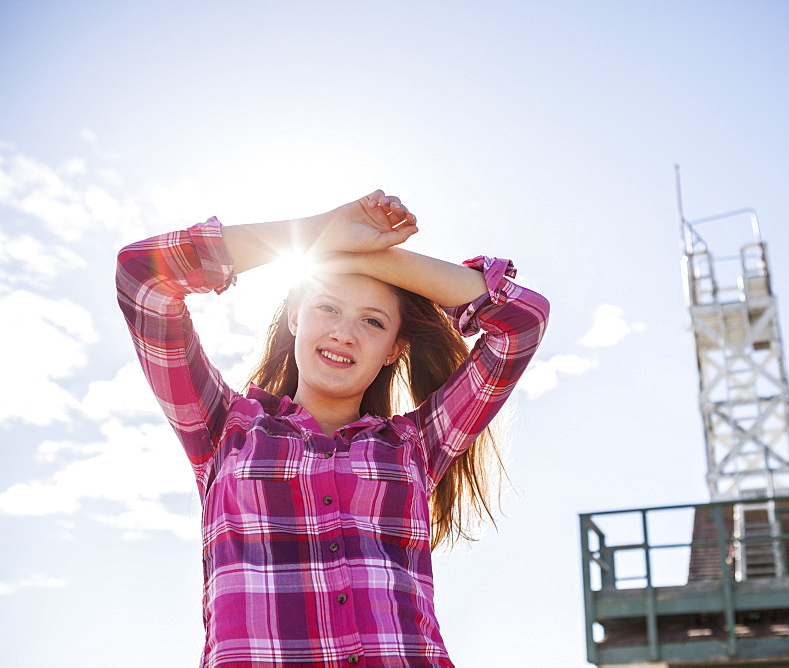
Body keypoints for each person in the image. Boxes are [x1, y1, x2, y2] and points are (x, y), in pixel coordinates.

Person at [116, 190, 549, 667]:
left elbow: (521, 321)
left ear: (393, 349)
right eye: (327, 308)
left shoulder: (414, 448)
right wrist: (322, 233)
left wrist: (372, 256)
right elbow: (143, 276)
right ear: (296, 317)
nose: (345, 332)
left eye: (372, 320)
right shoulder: (224, 429)